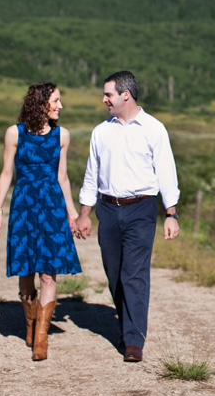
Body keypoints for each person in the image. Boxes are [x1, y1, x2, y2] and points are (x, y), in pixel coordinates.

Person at [75, 70, 180, 363]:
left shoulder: (154, 129)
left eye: (108, 94)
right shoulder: (101, 132)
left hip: (141, 208)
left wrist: (171, 213)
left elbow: (167, 173)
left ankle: (134, 339)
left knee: (134, 275)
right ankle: (126, 322)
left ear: (126, 95)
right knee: (114, 274)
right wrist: (85, 213)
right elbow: (91, 176)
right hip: (107, 209)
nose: (104, 99)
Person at [0, 82, 82, 361]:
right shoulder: (14, 133)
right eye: (56, 100)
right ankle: (29, 324)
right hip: (24, 206)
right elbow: (7, 173)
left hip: (52, 207)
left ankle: (41, 337)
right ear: (41, 102)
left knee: (47, 272)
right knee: (25, 271)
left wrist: (72, 213)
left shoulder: (62, 135)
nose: (60, 106)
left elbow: (62, 177)